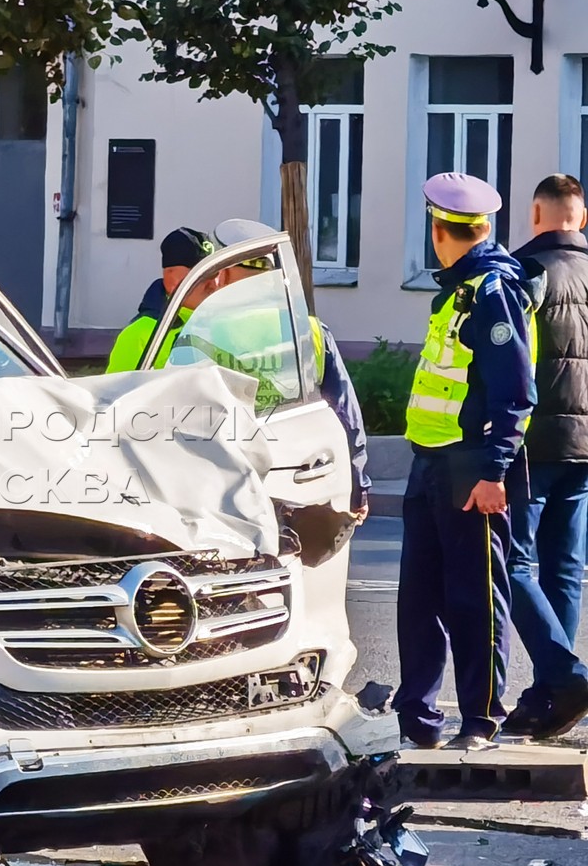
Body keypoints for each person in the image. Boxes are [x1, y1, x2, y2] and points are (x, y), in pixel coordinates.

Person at [394, 173, 543, 751]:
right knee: (419, 598)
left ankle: (480, 720)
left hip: (471, 464)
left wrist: (494, 471)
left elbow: (515, 391)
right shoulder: (458, 287)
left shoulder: (493, 291)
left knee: (475, 598)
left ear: (439, 231)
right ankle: (419, 719)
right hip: (428, 460)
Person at [209, 218, 371, 518]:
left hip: (223, 482)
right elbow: (346, 415)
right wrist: (358, 484)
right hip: (296, 476)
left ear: (226, 274)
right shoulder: (308, 331)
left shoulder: (205, 331)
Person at [503, 174, 588, 740]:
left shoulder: (522, 272)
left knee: (514, 565)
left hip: (534, 445)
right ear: (579, 217)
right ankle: (547, 697)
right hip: (585, 445)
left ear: (537, 213)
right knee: (566, 568)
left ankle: (567, 674)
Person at [105, 226, 221, 372]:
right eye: (202, 276)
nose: (214, 284)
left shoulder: (224, 324)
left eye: (217, 274)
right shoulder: (140, 334)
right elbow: (119, 392)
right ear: (172, 280)